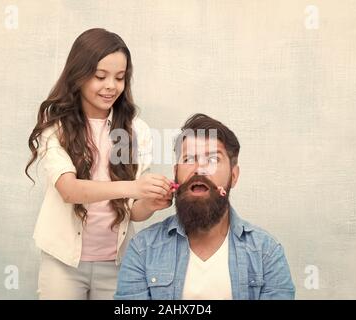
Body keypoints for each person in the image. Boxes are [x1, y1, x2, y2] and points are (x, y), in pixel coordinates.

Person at [25, 28, 174, 299]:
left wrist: (150, 202)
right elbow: (70, 190)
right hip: (63, 263)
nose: (111, 86)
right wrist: (134, 187)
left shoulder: (136, 131)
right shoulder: (56, 129)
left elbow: (134, 212)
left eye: (119, 78)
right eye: (100, 76)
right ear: (78, 75)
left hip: (117, 264)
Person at [115, 113, 295, 300]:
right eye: (188, 159)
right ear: (175, 173)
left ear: (233, 176)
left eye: (213, 160)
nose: (200, 168)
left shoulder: (267, 252)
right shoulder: (142, 250)